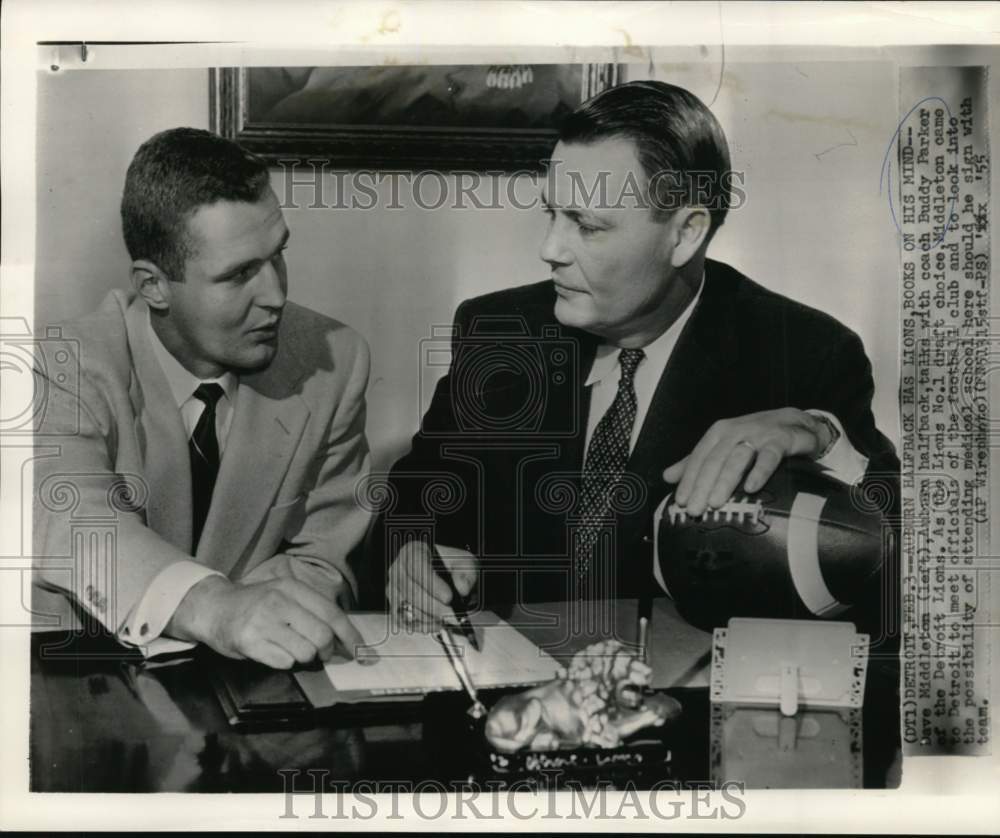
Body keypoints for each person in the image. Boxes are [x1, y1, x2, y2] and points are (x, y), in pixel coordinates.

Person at [374, 80, 900, 635]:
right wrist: (413, 554)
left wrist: (825, 440)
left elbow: (911, 562)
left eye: (586, 225)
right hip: (514, 701)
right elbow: (415, 497)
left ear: (685, 234)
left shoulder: (803, 352)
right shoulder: (500, 333)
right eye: (552, 215)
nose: (549, 249)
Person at [32, 127, 373, 669]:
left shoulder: (333, 360)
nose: (277, 296)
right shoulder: (55, 366)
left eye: (277, 256)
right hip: (92, 688)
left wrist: (265, 611)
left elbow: (328, 558)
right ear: (153, 286)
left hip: (252, 688)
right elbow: (75, 525)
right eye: (239, 275)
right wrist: (218, 607)